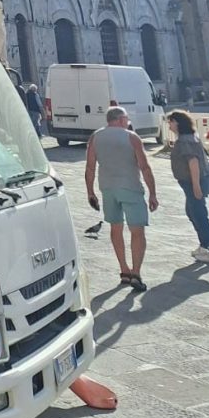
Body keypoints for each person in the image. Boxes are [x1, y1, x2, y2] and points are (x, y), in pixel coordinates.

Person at [85, 107, 159, 291]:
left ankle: (124, 270)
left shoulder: (95, 137)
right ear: (119, 119)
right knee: (137, 231)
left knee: (115, 228)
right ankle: (136, 273)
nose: (128, 121)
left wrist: (90, 192)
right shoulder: (132, 137)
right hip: (130, 188)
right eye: (126, 118)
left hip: (107, 188)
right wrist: (153, 193)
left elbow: (90, 167)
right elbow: (145, 167)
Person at [167, 110, 209, 263]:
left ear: (177, 123)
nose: (168, 124)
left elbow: (193, 162)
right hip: (194, 182)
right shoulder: (187, 138)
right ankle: (205, 245)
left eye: (170, 121)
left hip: (195, 182)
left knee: (199, 215)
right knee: (192, 212)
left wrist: (196, 186)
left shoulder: (185, 141)